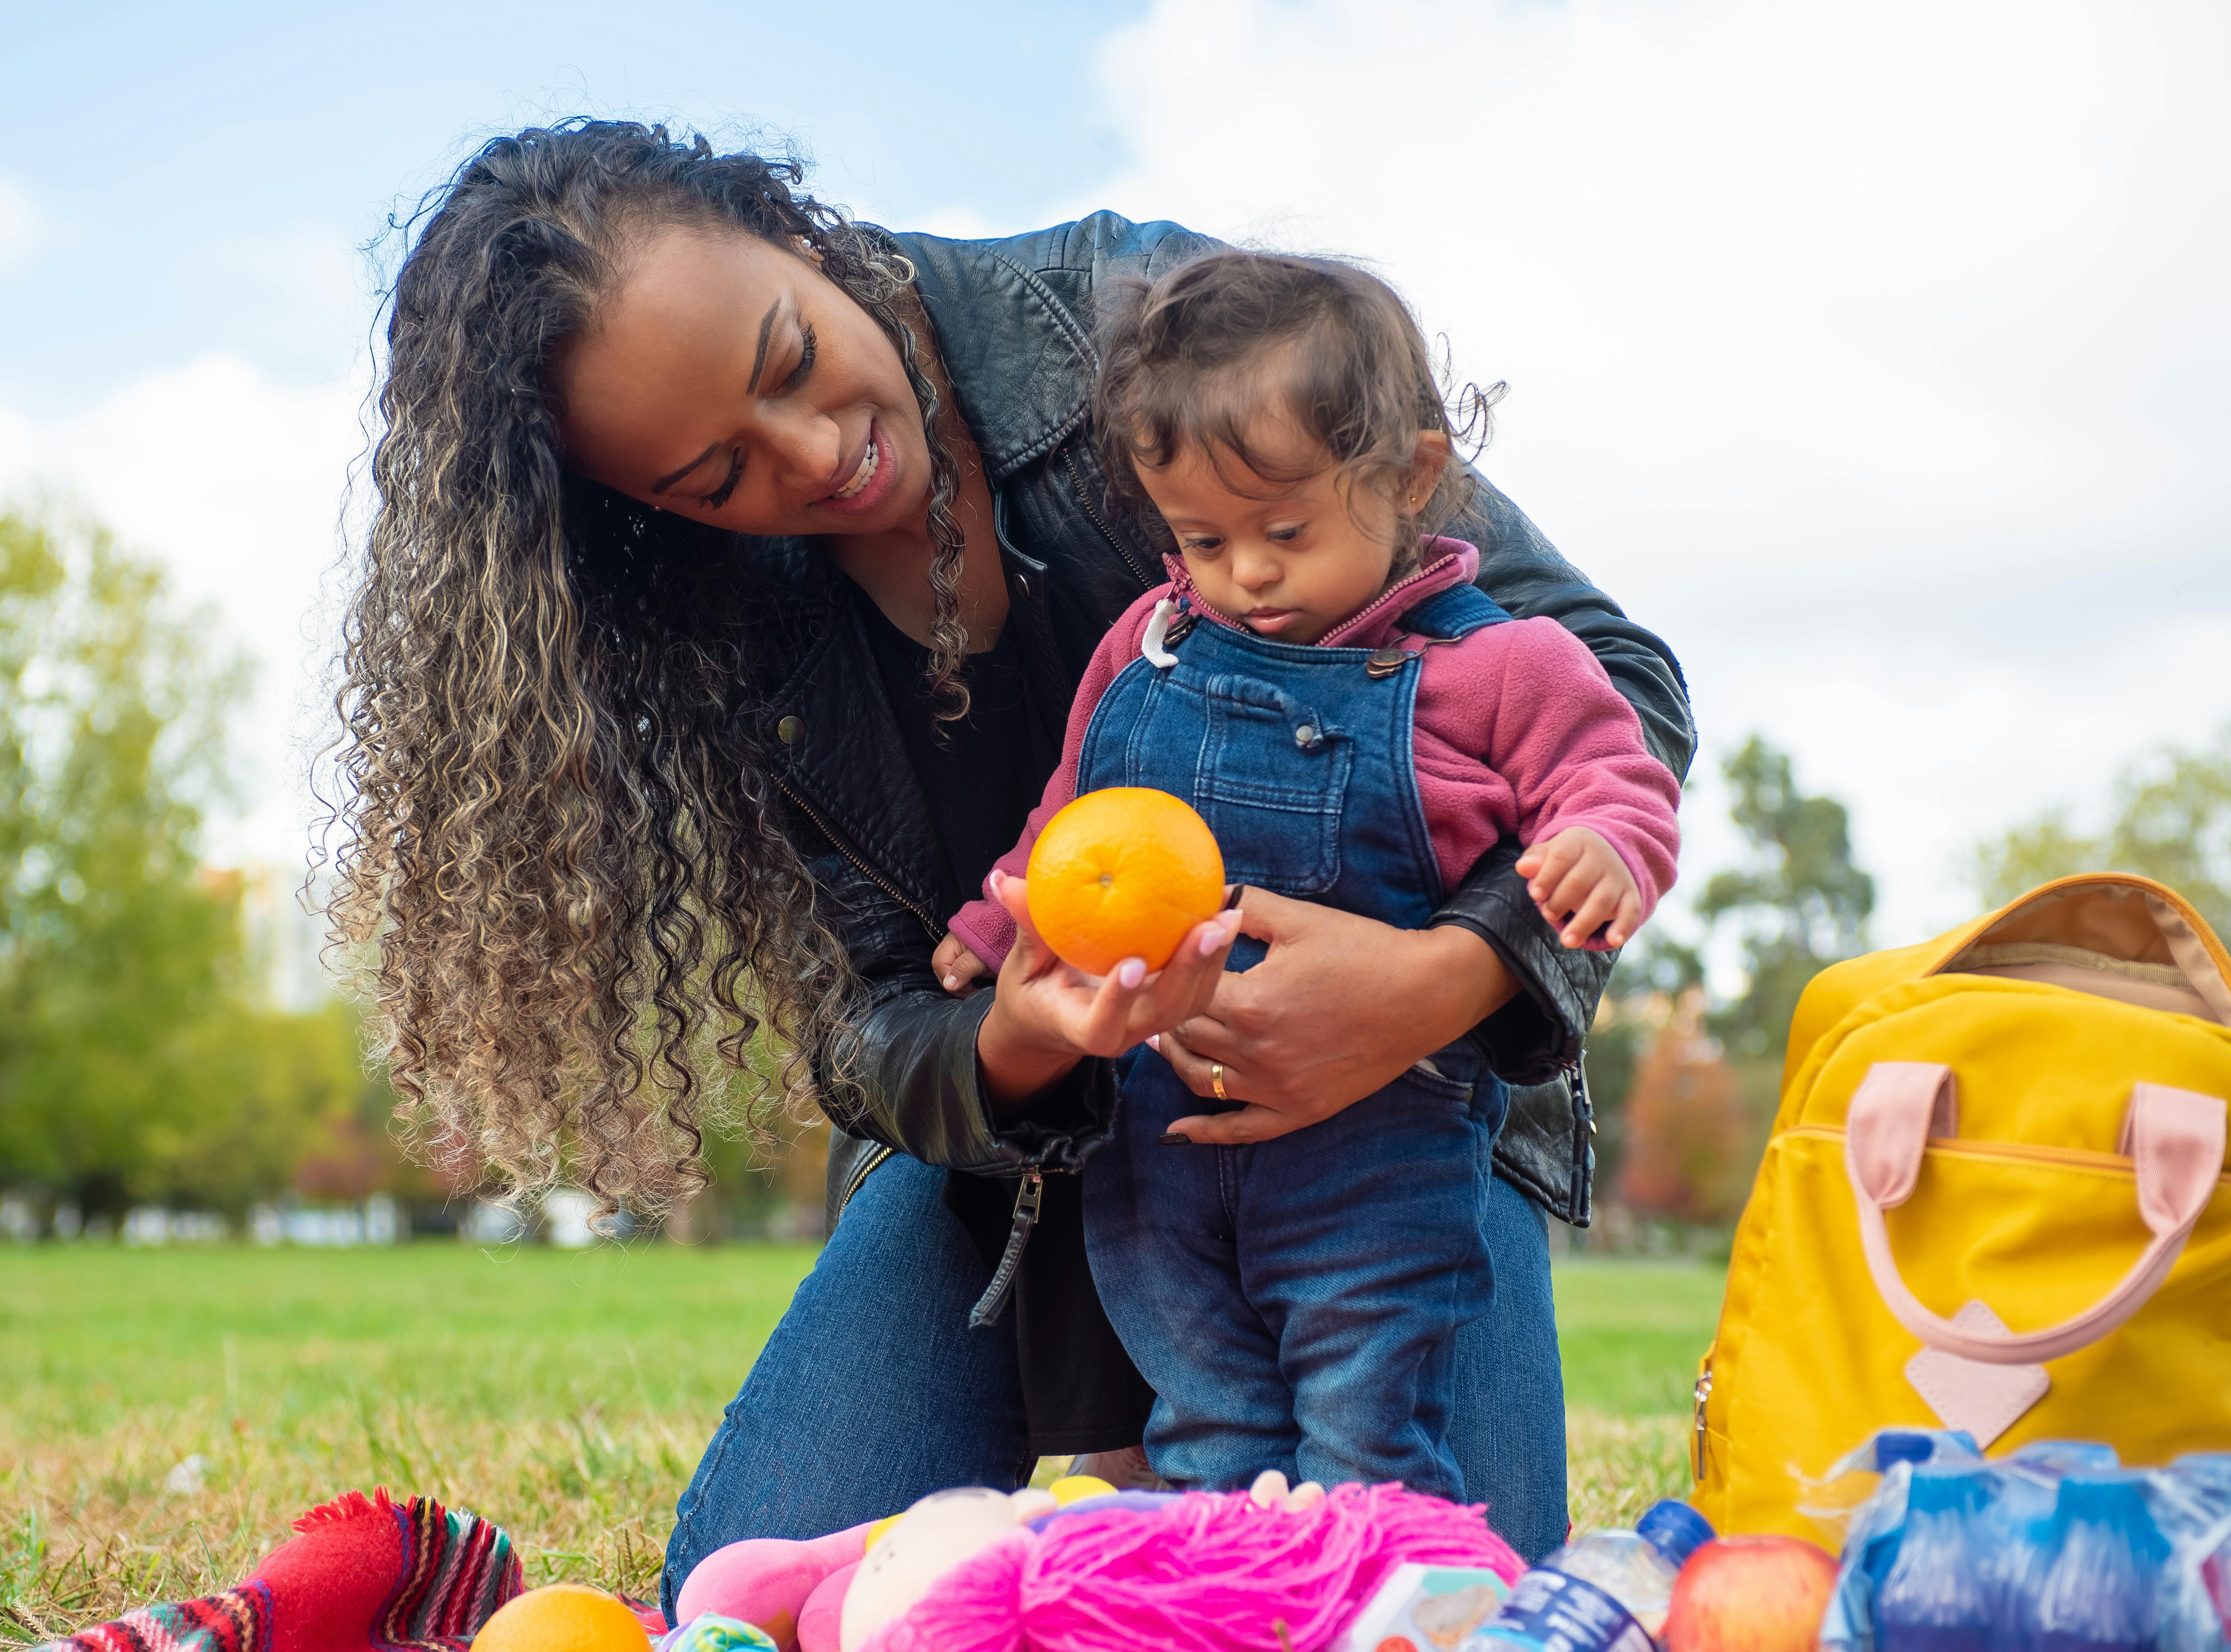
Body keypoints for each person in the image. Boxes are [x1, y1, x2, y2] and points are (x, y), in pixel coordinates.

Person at [325, 120, 1695, 1612]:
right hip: (1024, 1183)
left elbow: (1612, 678)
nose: (814, 456)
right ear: (651, 512)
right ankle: (1141, 1518)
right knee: (743, 1597)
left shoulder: (1159, 334)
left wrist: (1441, 980)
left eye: (790, 358)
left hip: (1394, 1126)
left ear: (803, 237)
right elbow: (868, 1030)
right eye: (717, 475)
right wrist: (1015, 1040)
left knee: (1440, 1582)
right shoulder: (710, 628)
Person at [934, 249, 1680, 1497]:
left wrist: (1604, 845)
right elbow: (1079, 815)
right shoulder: (1152, 644)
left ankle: (1377, 1589)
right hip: (1162, 1142)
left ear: (1410, 479)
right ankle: (1230, 1595)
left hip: (1378, 1148)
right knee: (1204, 1418)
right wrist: (1000, 916)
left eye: (1286, 531)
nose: (1245, 575)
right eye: (1201, 539)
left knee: (1368, 1428)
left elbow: (1615, 771)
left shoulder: (1504, 666)